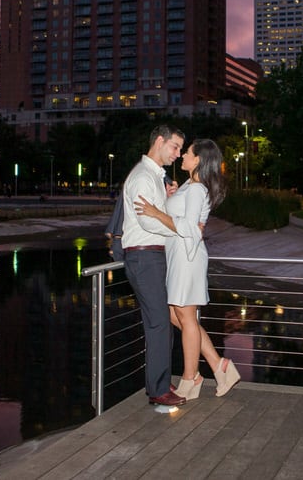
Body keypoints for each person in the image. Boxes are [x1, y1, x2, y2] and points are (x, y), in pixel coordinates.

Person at [135, 138, 241, 400]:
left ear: (198, 160)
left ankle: (190, 377)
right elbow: (187, 221)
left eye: (188, 153)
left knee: (184, 317)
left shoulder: (196, 189)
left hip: (187, 258)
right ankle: (219, 365)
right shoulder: (189, 186)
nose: (182, 155)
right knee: (179, 316)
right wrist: (170, 200)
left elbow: (191, 230)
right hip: (179, 257)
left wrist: (157, 213)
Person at [121, 124, 185, 407]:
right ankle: (158, 389)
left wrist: (166, 203)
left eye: (181, 149)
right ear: (159, 141)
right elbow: (147, 221)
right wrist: (179, 228)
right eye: (175, 147)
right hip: (144, 256)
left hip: (150, 255)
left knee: (160, 323)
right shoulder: (143, 177)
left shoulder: (154, 177)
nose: (178, 154)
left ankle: (159, 381)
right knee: (159, 323)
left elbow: (154, 216)